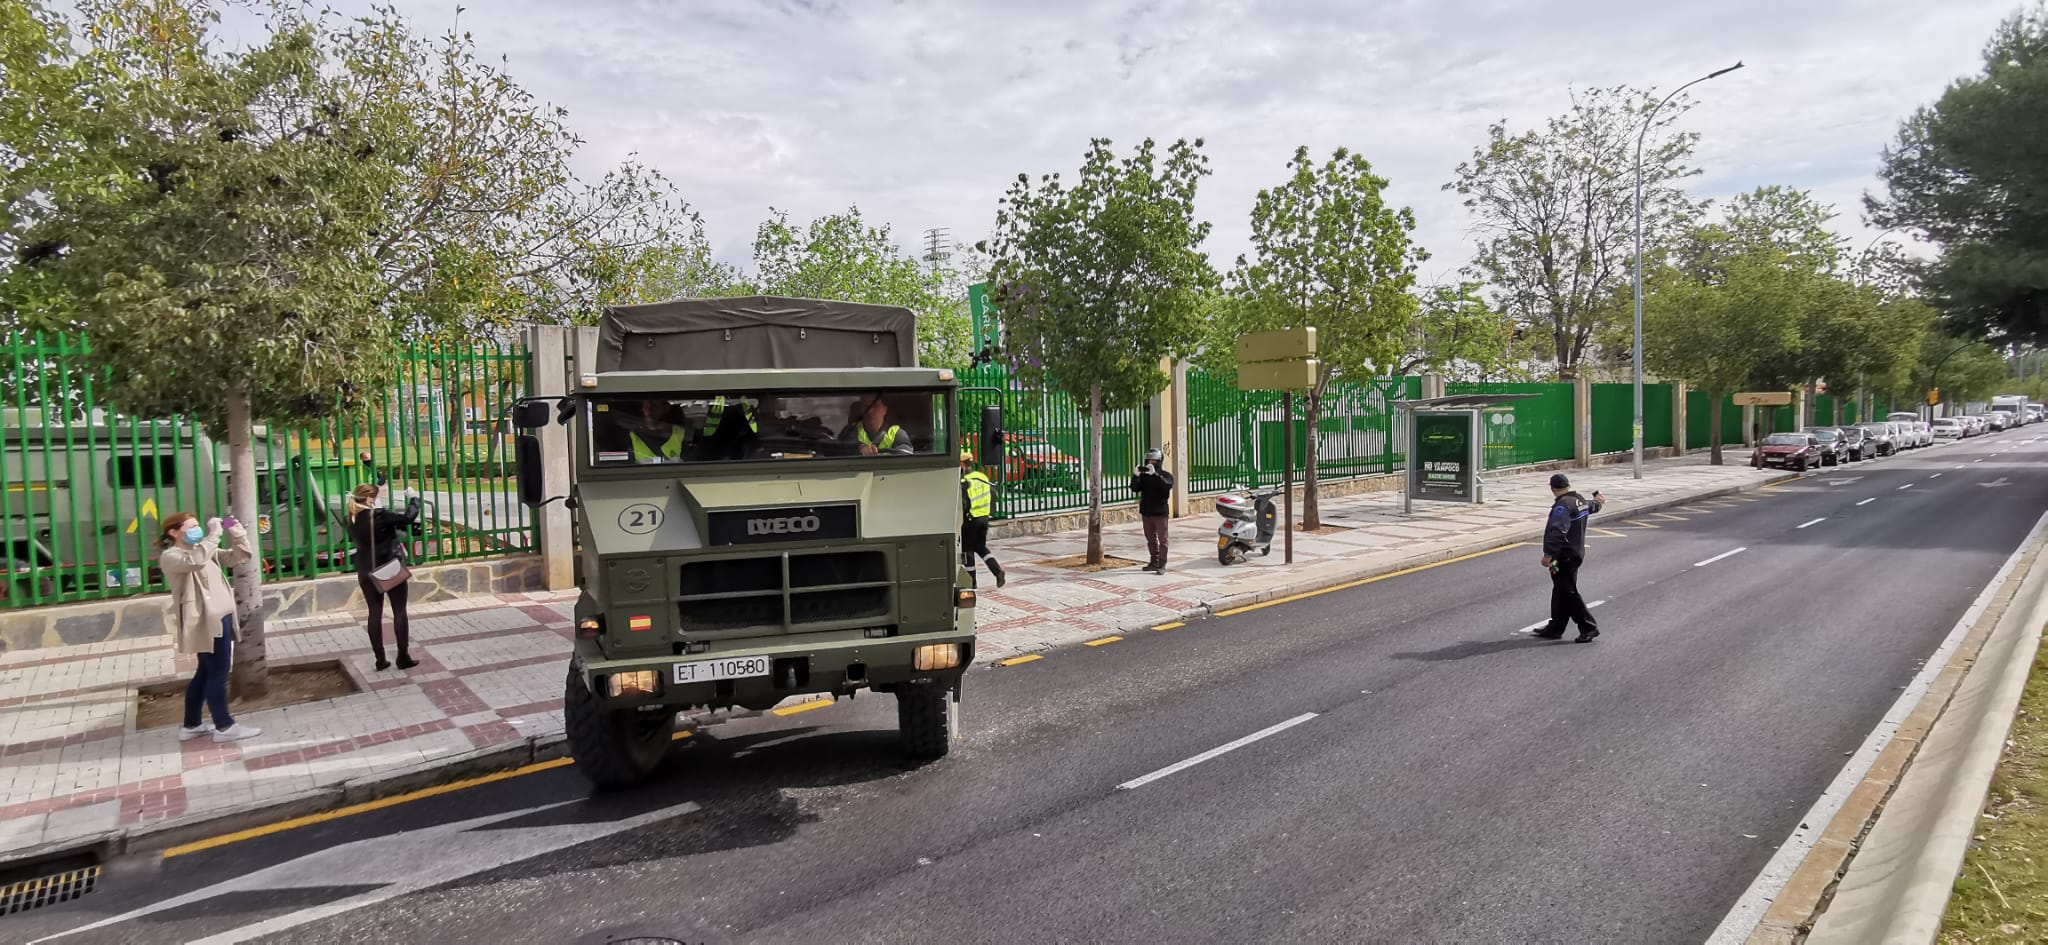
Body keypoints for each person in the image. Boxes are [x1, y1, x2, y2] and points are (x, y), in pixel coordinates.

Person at [156, 512, 262, 743]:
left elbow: (237, 558)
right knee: (218, 672)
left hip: (221, 616)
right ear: (173, 532)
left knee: (205, 672)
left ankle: (191, 725)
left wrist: (238, 535)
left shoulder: (204, 549)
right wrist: (214, 534)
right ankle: (224, 727)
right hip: (206, 620)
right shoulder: (172, 556)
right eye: (190, 526)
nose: (197, 529)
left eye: (198, 525)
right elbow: (195, 560)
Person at [350, 482, 423, 670]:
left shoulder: (350, 517)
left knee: (374, 612)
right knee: (399, 610)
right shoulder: (380, 515)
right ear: (369, 499)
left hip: (366, 570)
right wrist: (414, 499)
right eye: (376, 496)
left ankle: (380, 659)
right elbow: (408, 518)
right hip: (388, 567)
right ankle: (403, 656)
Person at [1533, 473, 1604, 643]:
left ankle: (1588, 627)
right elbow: (1594, 505)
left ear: (1553, 489)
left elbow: (1557, 531)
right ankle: (1556, 627)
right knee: (1560, 589)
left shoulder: (1562, 506)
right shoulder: (1579, 501)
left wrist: (1548, 555)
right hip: (1576, 553)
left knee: (1567, 591)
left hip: (1562, 557)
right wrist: (1600, 501)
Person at [959, 450, 1006, 588]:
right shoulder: (982, 477)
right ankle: (998, 572)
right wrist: (989, 513)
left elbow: (964, 503)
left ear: (962, 464)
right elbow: (993, 494)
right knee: (980, 547)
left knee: (967, 551)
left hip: (971, 519)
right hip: (984, 518)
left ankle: (972, 583)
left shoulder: (965, 481)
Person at [1131, 447, 1176, 573]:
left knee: (1163, 539)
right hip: (1146, 512)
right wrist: (1136, 476)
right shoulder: (1144, 477)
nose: (1151, 463)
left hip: (1160, 513)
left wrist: (1156, 475)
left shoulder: (1166, 475)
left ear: (1160, 461)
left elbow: (1167, 486)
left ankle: (1162, 564)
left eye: (1154, 461)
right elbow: (1134, 489)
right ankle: (1153, 561)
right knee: (1150, 539)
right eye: (1149, 460)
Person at [848, 393, 914, 455]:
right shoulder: (851, 430)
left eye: (875, 406)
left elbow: (906, 454)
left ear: (884, 409)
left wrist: (880, 454)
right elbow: (841, 450)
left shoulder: (896, 433)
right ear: (860, 409)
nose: (870, 411)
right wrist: (859, 449)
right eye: (866, 407)